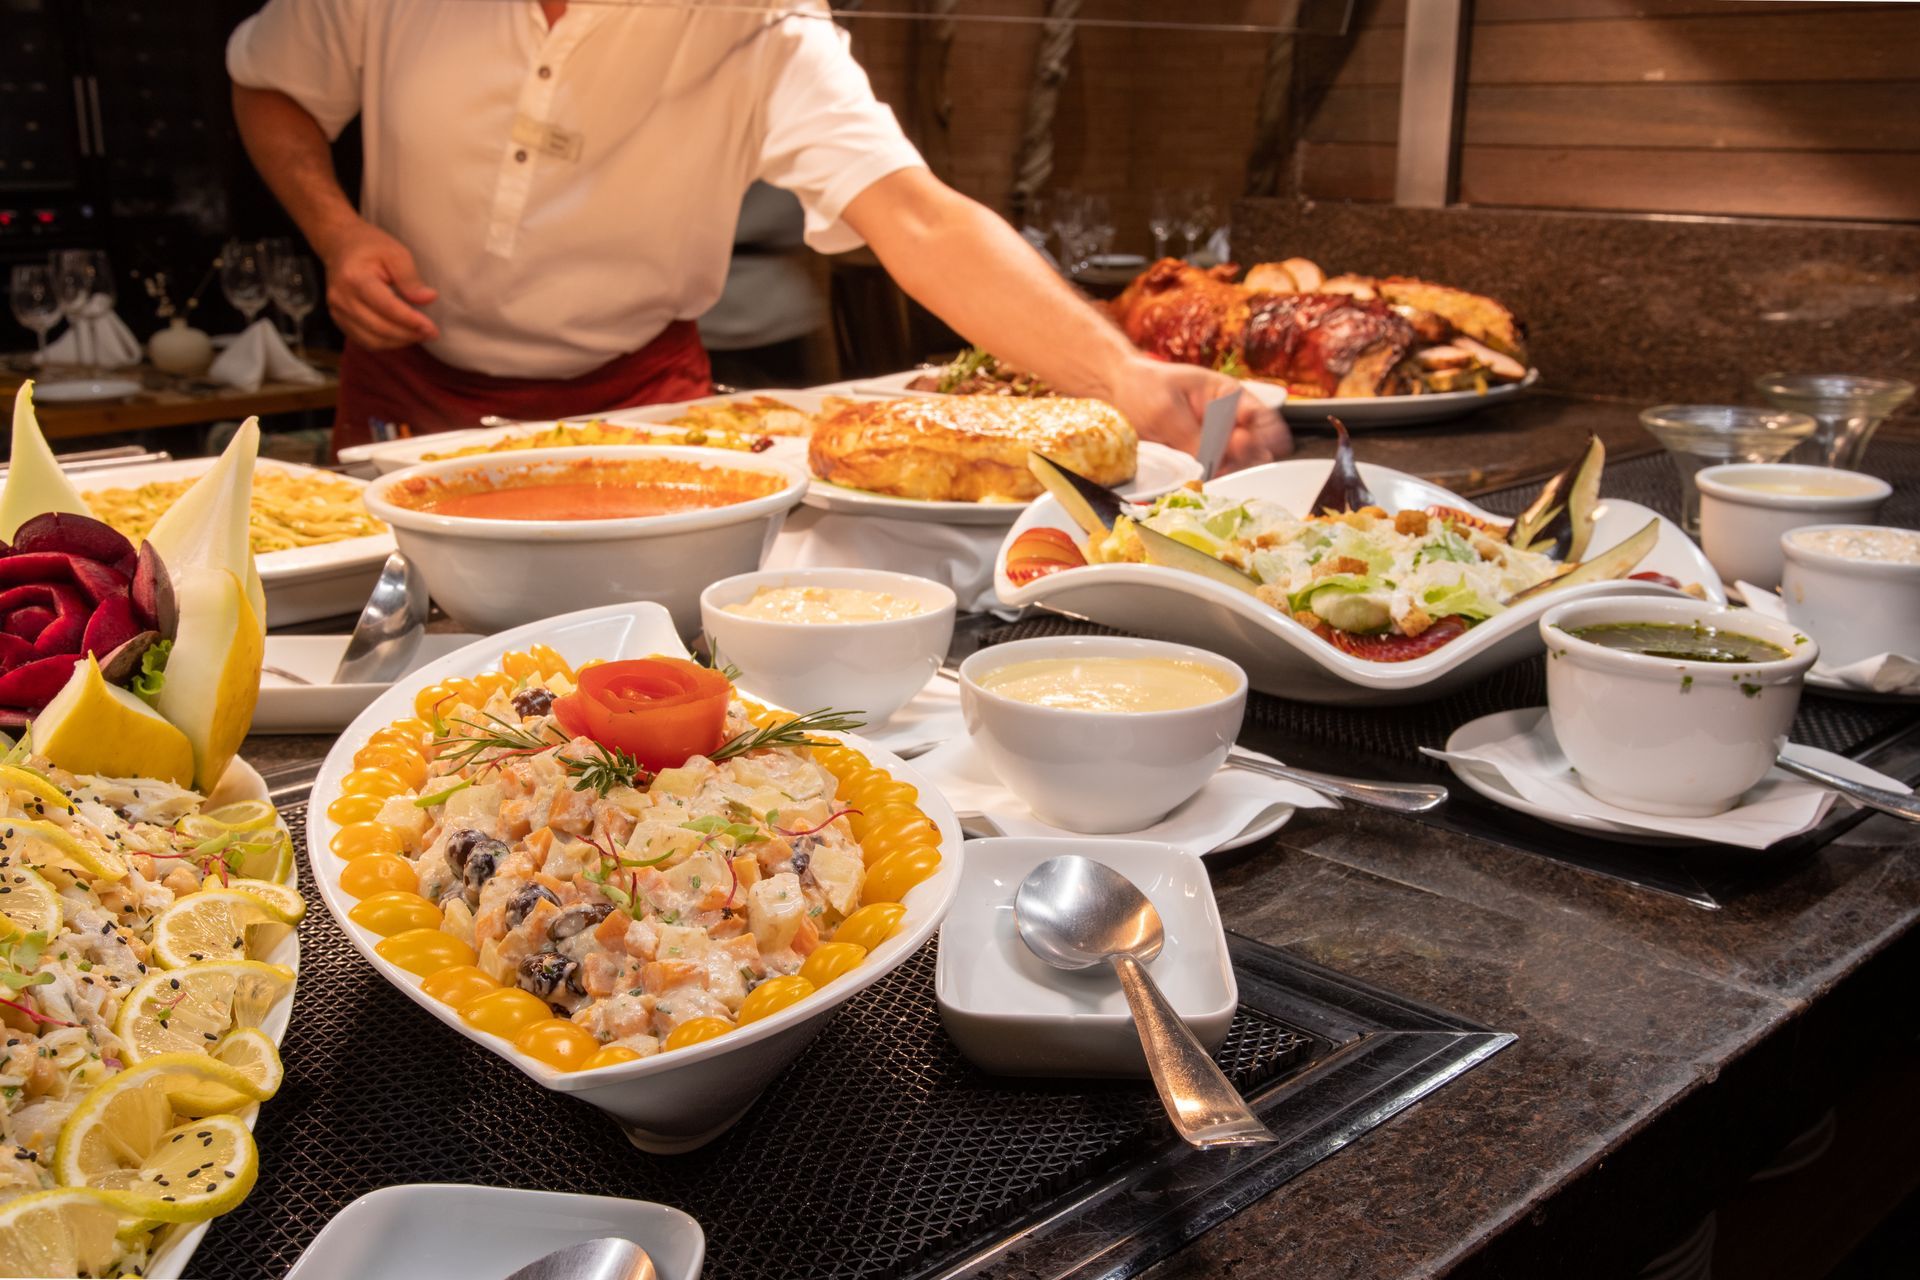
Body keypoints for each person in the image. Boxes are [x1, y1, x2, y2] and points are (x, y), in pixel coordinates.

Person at [226, 0, 1290, 465]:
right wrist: (336, 230)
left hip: (643, 412)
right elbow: (271, 83)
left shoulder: (761, 19)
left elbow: (915, 217)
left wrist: (1126, 378)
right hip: (406, 398)